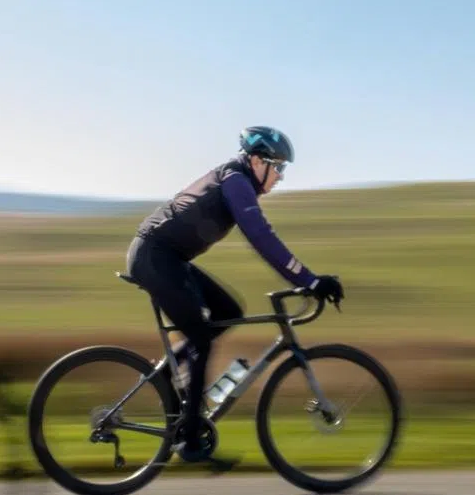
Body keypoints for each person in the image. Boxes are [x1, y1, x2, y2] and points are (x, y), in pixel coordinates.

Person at [126, 126, 344, 461]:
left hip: (166, 257)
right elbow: (262, 238)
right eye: (279, 168)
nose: (280, 177)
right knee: (200, 337)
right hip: (155, 257)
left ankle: (167, 376)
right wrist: (311, 280)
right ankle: (191, 438)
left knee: (228, 310)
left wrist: (308, 279)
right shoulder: (236, 181)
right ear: (258, 161)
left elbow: (263, 238)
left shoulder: (237, 181)